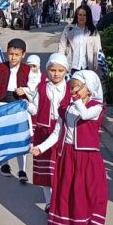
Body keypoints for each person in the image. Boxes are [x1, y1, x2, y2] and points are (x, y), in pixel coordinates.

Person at [32, 70, 107, 225]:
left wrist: (76, 100)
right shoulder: (66, 108)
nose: (73, 90)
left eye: (77, 87)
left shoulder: (96, 107)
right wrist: (40, 147)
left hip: (89, 157)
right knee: (68, 194)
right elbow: (57, 133)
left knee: (94, 194)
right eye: (71, 87)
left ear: (89, 88)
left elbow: (86, 115)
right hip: (68, 155)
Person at [26, 53, 71, 191]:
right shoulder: (41, 87)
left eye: (60, 70)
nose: (56, 74)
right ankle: (49, 201)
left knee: (60, 170)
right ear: (47, 70)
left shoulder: (70, 89)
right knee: (45, 172)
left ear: (66, 71)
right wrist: (25, 105)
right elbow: (35, 109)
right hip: (44, 131)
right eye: (53, 70)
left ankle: (58, 199)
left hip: (63, 132)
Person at [0, 39, 31, 179]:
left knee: (20, 137)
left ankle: (22, 169)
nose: (13, 57)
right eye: (11, 54)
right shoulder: (0, 68)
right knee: (4, 136)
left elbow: (35, 87)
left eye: (17, 55)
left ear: (23, 54)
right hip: (2, 103)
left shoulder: (28, 70)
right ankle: (5, 164)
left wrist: (25, 91)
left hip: (19, 105)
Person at [60, 4, 102, 74]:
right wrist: (60, 63)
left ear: (88, 16)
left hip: (87, 68)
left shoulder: (93, 31)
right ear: (76, 16)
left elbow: (97, 50)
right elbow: (62, 47)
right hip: (71, 68)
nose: (82, 17)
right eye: (80, 15)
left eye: (84, 15)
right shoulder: (68, 29)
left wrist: (97, 66)